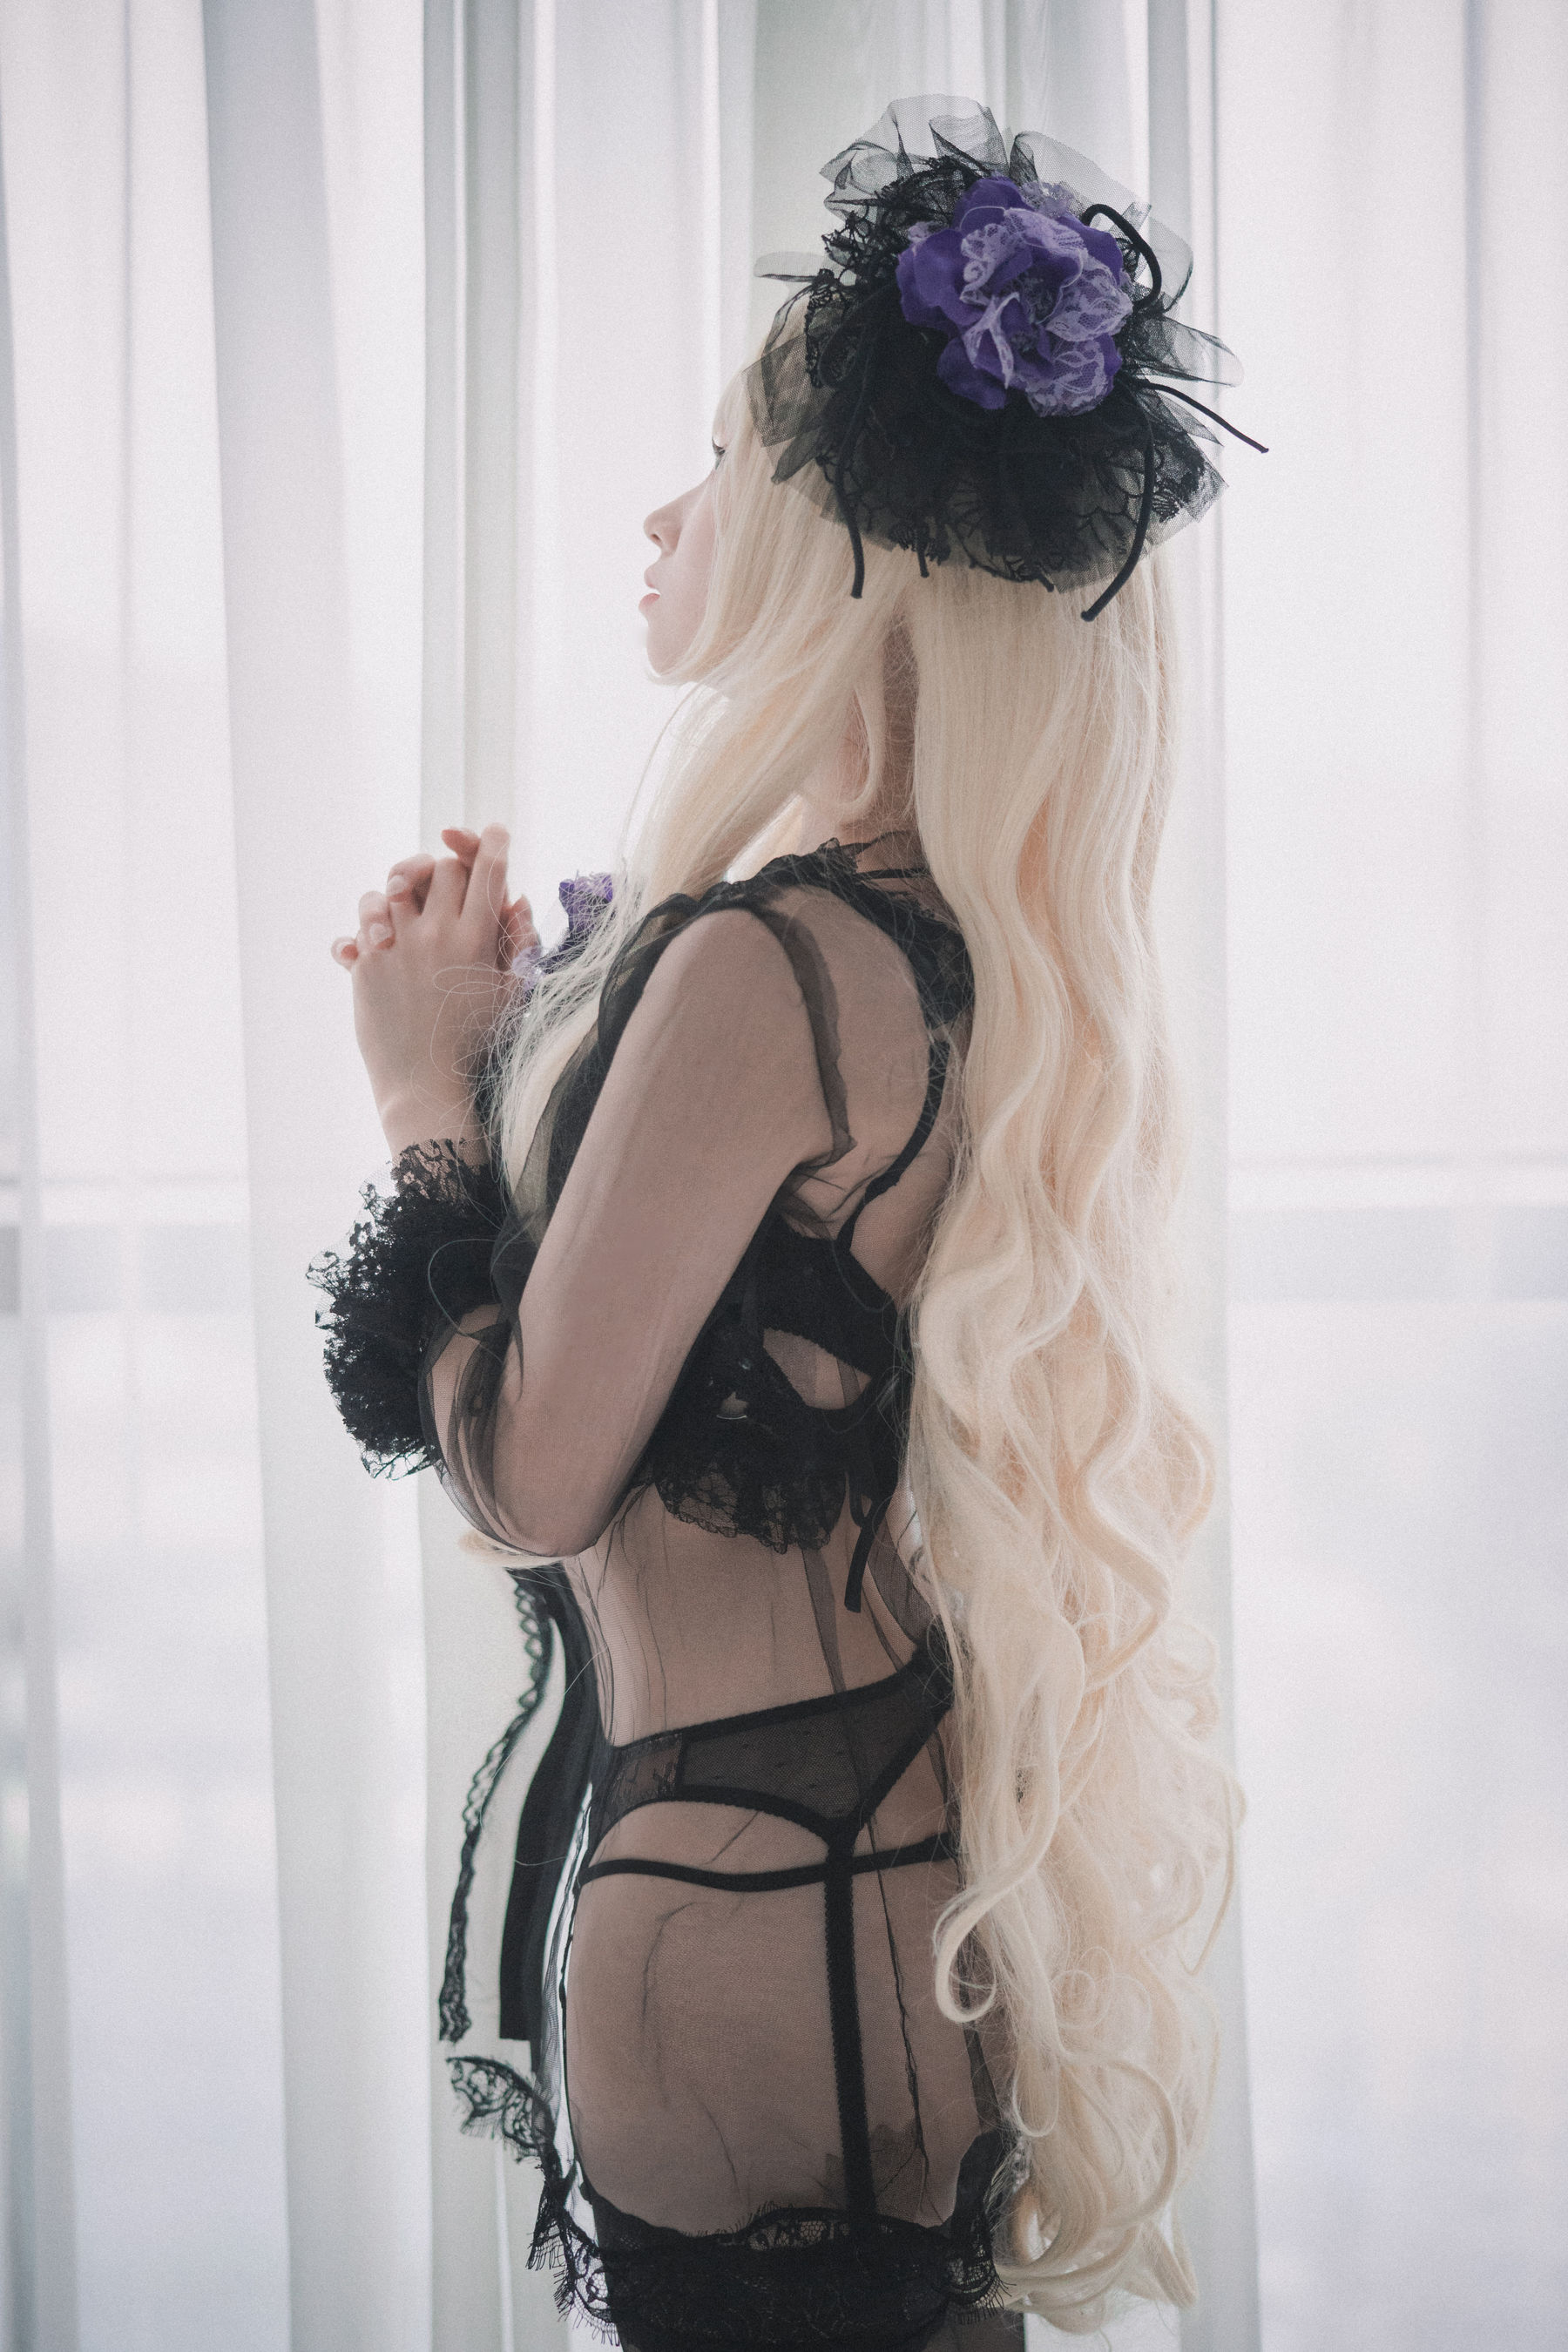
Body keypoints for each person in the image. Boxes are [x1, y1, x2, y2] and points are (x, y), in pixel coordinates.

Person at [311, 100, 1250, 2352]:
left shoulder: (768, 966)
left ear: (843, 555)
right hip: (905, 1883)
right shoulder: (955, 952)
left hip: (723, 1900)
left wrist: (428, 1094)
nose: (662, 517)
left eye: (718, 463)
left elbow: (530, 1477)